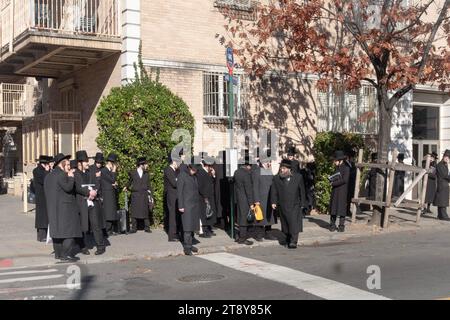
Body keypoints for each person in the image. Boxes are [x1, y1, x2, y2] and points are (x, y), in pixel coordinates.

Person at [44, 153, 82, 262]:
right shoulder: (61, 175)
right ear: (62, 164)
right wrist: (71, 177)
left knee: (57, 233)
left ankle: (58, 254)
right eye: (68, 164)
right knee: (70, 233)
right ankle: (64, 255)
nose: (69, 166)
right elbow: (68, 188)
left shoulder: (49, 176)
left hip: (53, 208)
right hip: (65, 209)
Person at [74, 151, 106, 256]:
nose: (88, 163)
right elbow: (77, 187)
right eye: (86, 161)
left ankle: (100, 246)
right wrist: (88, 192)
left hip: (93, 202)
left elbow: (97, 183)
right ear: (80, 163)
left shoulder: (91, 171)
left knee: (96, 225)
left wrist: (95, 192)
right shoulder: (75, 174)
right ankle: (83, 246)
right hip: (82, 203)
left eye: (88, 161)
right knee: (83, 226)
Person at [271, 159, 307, 249]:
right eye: (281, 168)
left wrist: (303, 203)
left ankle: (293, 241)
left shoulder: (298, 177)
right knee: (285, 223)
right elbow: (274, 191)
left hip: (295, 204)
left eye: (283, 168)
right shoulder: (276, 178)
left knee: (294, 223)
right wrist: (273, 202)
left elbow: (302, 191)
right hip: (283, 204)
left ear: (288, 169)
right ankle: (287, 237)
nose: (281, 170)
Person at [252, 150, 277, 241]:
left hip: (269, 198)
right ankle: (258, 235)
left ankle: (268, 233)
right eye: (266, 161)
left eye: (269, 161)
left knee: (269, 217)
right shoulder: (256, 171)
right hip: (261, 199)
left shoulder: (268, 171)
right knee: (260, 218)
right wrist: (256, 200)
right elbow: (255, 187)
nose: (268, 163)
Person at [177, 163, 201, 256]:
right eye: (193, 170)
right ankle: (187, 247)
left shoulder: (194, 176)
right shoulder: (182, 176)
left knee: (192, 227)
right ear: (189, 168)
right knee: (187, 227)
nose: (195, 172)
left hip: (194, 205)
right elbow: (179, 192)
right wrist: (180, 206)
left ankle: (190, 245)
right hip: (186, 205)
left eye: (195, 171)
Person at [233, 153, 255, 246]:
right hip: (245, 199)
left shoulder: (237, 172)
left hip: (239, 198)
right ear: (247, 165)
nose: (250, 168)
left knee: (240, 217)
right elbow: (248, 190)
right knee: (244, 219)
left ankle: (240, 237)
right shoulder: (246, 174)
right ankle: (243, 238)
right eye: (250, 166)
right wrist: (251, 203)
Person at [128, 157, 153, 233]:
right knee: (134, 211)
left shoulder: (146, 174)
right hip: (135, 194)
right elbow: (129, 182)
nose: (147, 165)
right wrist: (126, 187)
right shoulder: (133, 172)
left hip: (144, 195)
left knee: (145, 211)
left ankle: (147, 227)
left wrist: (151, 195)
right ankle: (134, 228)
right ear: (141, 165)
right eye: (145, 164)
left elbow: (149, 185)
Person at [196, 153, 218, 238]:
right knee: (204, 214)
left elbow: (211, 183)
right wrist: (205, 196)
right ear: (207, 165)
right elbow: (200, 186)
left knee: (209, 213)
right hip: (204, 197)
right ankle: (204, 231)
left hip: (209, 195)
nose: (212, 168)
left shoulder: (208, 172)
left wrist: (213, 175)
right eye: (210, 166)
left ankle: (209, 229)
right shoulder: (201, 172)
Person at [329, 150, 350, 232]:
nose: (334, 162)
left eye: (335, 161)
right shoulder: (336, 168)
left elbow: (345, 180)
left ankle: (341, 225)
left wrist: (334, 183)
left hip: (342, 191)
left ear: (340, 160)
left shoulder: (346, 168)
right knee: (333, 208)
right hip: (335, 191)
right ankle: (332, 224)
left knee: (341, 209)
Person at [33, 155, 51, 242]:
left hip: (46, 196)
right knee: (42, 217)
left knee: (46, 216)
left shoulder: (45, 170)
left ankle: (45, 235)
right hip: (41, 197)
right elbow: (45, 180)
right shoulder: (37, 171)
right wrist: (47, 172)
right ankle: (41, 236)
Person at [101, 153, 119, 236]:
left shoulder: (108, 171)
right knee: (108, 212)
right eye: (113, 163)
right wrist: (114, 171)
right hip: (107, 193)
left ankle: (110, 229)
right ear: (110, 163)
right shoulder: (104, 170)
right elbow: (112, 180)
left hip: (110, 193)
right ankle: (107, 230)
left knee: (111, 211)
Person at [164, 155, 181, 241]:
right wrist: (178, 179)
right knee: (172, 215)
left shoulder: (176, 170)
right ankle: (171, 235)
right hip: (171, 196)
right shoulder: (168, 170)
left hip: (176, 195)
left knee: (176, 215)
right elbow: (174, 183)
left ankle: (176, 233)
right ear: (173, 162)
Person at [433, 150, 450, 221]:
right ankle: (444, 216)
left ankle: (440, 215)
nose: (447, 159)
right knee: (442, 200)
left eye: (448, 158)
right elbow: (445, 175)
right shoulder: (440, 165)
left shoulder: (444, 165)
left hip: (444, 184)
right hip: (442, 184)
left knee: (442, 200)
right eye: (446, 157)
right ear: (443, 157)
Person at [345, 149, 357, 217]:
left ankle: (348, 210)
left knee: (349, 198)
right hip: (347, 183)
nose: (353, 159)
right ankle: (346, 210)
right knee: (346, 198)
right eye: (353, 157)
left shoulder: (352, 164)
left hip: (352, 183)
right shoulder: (345, 164)